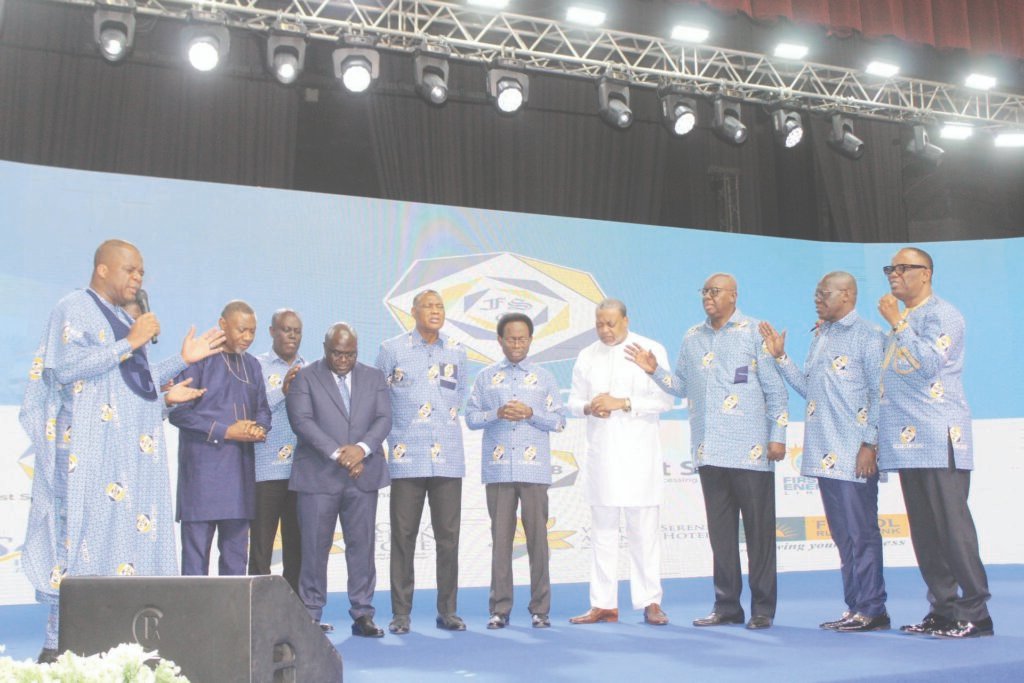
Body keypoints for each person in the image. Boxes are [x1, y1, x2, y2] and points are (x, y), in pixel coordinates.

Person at [20, 239, 224, 662]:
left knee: (121, 551)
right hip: (83, 459)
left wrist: (180, 362)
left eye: (142, 272)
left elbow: (133, 384)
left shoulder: (120, 320)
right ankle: (57, 648)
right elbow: (64, 369)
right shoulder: (74, 307)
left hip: (124, 461)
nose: (138, 278)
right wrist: (130, 340)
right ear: (102, 270)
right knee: (75, 549)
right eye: (130, 270)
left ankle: (111, 645)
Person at [627, 273, 788, 630]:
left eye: (714, 292)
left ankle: (763, 608)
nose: (707, 298)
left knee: (760, 535)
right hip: (708, 450)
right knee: (721, 536)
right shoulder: (692, 337)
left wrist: (777, 436)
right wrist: (655, 372)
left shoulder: (753, 332)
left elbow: (776, 392)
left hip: (751, 451)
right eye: (704, 292)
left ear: (734, 295)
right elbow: (682, 386)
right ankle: (727, 606)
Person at [759, 272, 889, 632]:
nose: (817, 298)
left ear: (847, 294)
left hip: (854, 453)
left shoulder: (869, 337)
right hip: (824, 453)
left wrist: (870, 444)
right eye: (816, 292)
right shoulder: (821, 335)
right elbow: (809, 389)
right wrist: (782, 358)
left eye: (823, 293)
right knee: (842, 535)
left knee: (861, 533)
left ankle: (874, 608)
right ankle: (855, 607)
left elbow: (881, 394)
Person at [876, 247, 993, 638]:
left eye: (902, 268)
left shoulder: (943, 314)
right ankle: (943, 610)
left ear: (925, 273)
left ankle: (976, 613)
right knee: (925, 532)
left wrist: (896, 323)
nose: (893, 274)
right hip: (908, 441)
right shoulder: (906, 318)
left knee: (952, 529)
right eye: (890, 268)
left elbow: (928, 364)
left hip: (939, 435)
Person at [567, 299, 674, 626]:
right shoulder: (587, 355)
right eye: (600, 324)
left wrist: (624, 402)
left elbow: (667, 400)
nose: (605, 330)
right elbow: (572, 401)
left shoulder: (649, 349)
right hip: (602, 458)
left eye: (611, 323)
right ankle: (603, 604)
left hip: (640, 458)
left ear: (626, 320)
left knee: (643, 533)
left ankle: (650, 601)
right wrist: (588, 407)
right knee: (602, 534)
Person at [287, 323, 392, 637]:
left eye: (350, 354)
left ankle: (363, 614)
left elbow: (384, 418)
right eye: (337, 352)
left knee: (362, 548)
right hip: (318, 477)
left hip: (363, 474)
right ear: (324, 347)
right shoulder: (305, 376)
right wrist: (339, 454)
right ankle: (311, 615)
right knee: (314, 550)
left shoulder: (373, 377)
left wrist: (360, 450)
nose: (343, 359)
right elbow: (301, 422)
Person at [466, 313, 566, 630]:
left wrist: (531, 413)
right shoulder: (485, 378)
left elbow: (560, 420)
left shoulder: (545, 378)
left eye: (523, 338)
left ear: (531, 340)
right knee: (501, 542)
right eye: (511, 338)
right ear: (500, 340)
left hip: (534, 471)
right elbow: (470, 417)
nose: (517, 344)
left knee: (538, 541)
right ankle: (500, 608)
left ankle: (540, 609)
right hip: (497, 472)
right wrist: (497, 412)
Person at [376, 290, 468, 634]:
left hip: (447, 460)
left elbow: (456, 398)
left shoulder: (457, 351)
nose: (435, 311)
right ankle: (401, 614)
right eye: (428, 305)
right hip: (406, 458)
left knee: (449, 539)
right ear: (412, 312)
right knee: (403, 537)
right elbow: (379, 399)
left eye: (440, 306)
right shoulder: (392, 350)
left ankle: (448, 611)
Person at [168, 300, 271, 576]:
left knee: (236, 563)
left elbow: (262, 409)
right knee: (195, 564)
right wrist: (227, 431)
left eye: (252, 331)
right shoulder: (198, 362)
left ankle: (233, 620)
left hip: (239, 480)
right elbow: (178, 414)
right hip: (202, 480)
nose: (247, 337)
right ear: (222, 325)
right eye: (241, 330)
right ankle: (193, 620)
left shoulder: (253, 366)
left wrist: (258, 428)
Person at [249, 309, 305, 594]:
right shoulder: (255, 367)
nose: (291, 335)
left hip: (301, 472)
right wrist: (281, 391)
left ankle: (296, 611)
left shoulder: (311, 370)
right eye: (285, 329)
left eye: (296, 330)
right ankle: (258, 611)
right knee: (261, 547)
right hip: (266, 471)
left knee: (297, 549)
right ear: (271, 331)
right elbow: (250, 414)